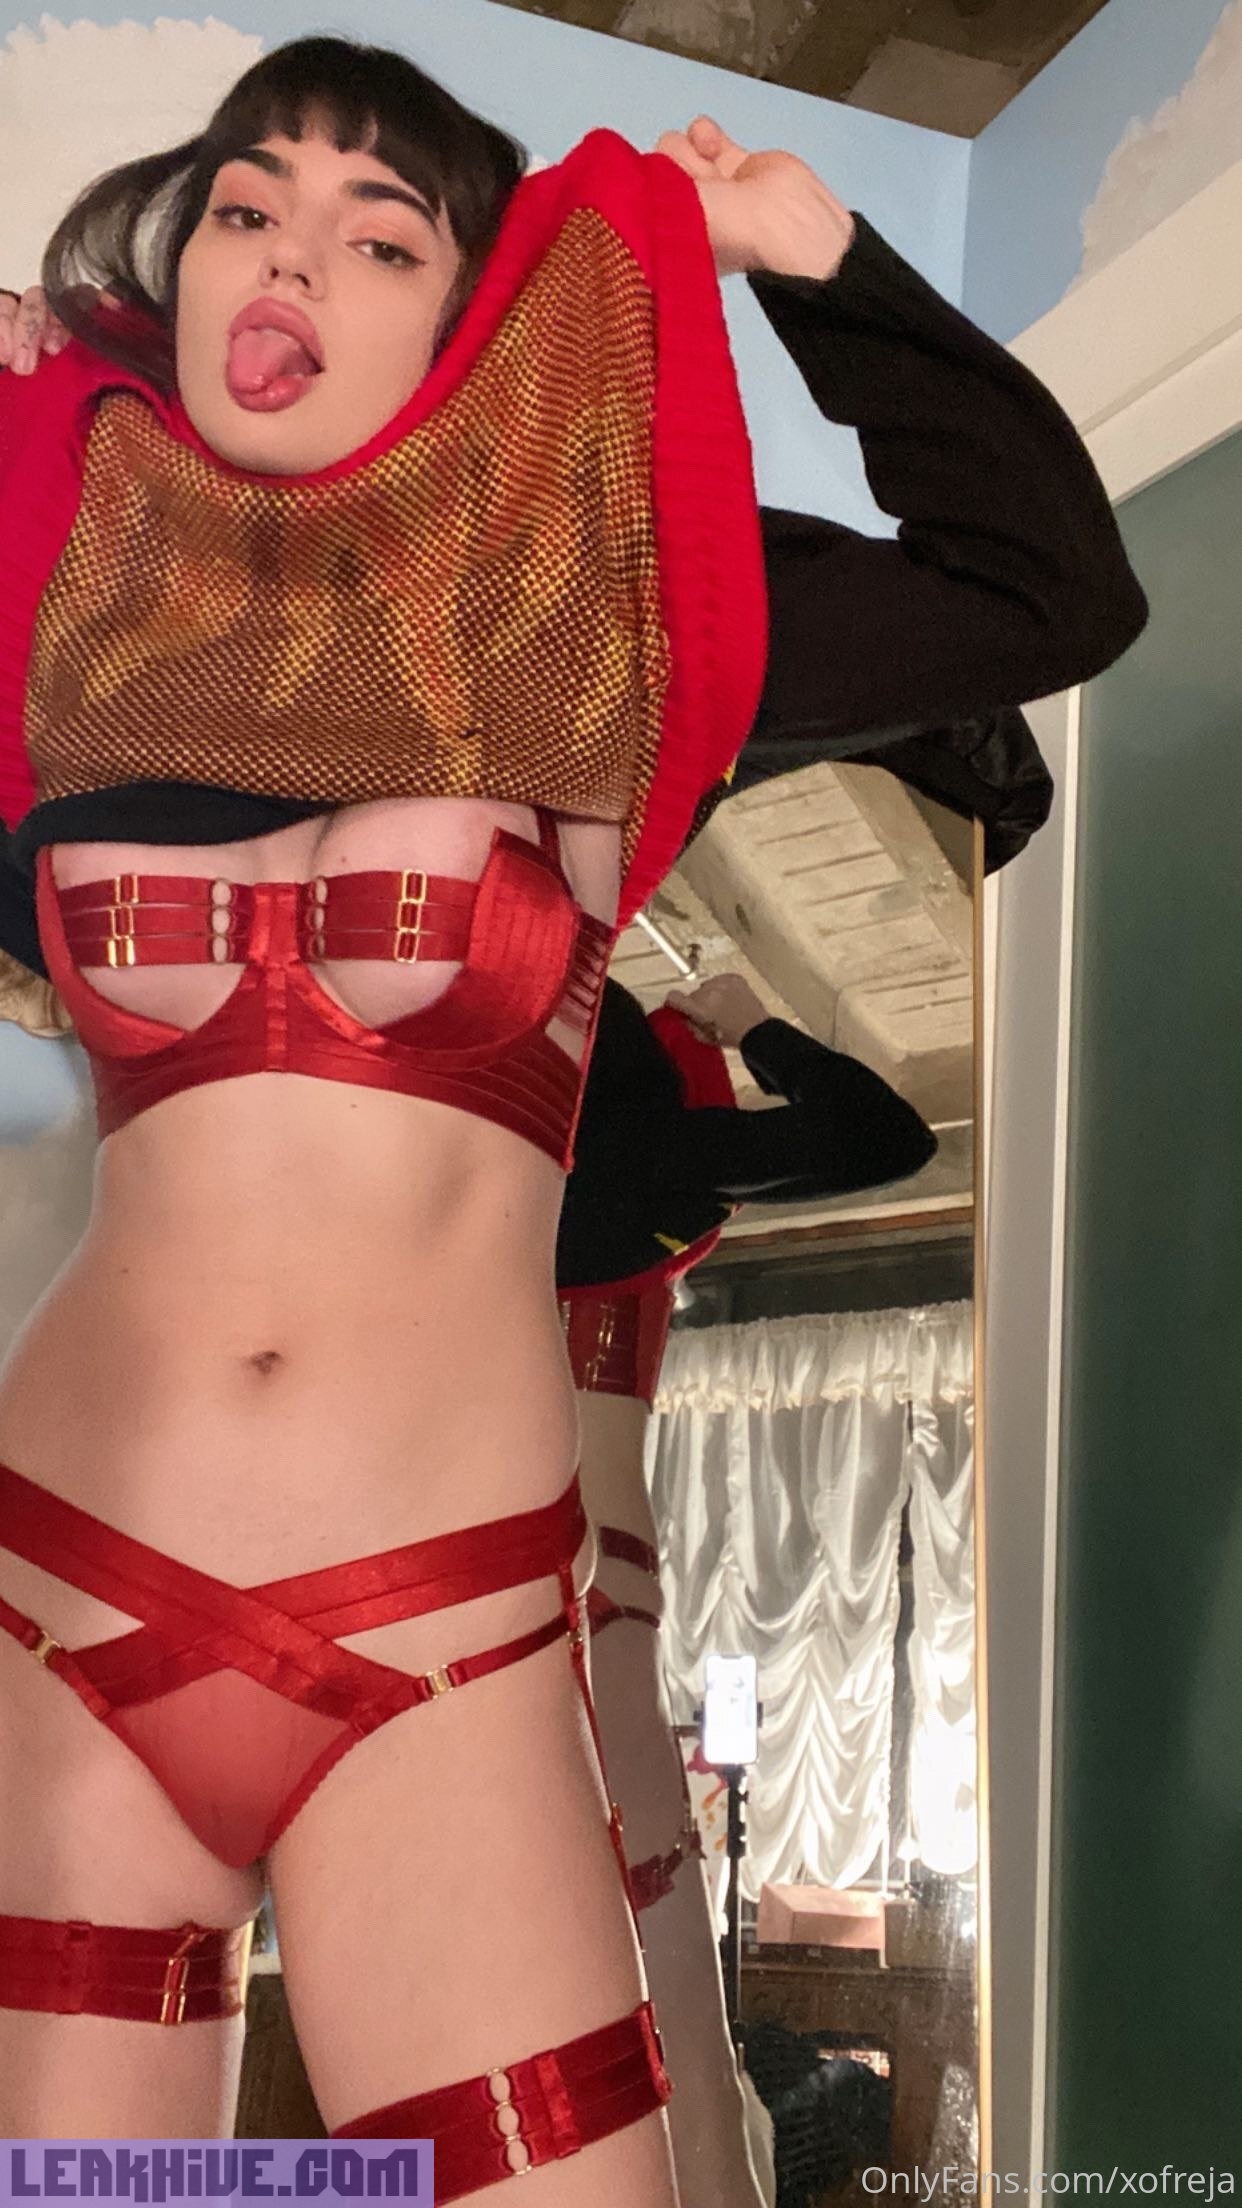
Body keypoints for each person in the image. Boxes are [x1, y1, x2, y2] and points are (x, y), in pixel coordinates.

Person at [0, 30, 1143, 2184]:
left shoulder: (598, 633)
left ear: (469, 320)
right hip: (57, 1584)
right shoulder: (84, 613)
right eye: (247, 205)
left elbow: (1046, 590)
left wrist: (815, 253)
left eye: (379, 233)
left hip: (436, 1629)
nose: (291, 253)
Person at [558, 969, 934, 2207]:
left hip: (450, 1571)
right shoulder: (645, 1161)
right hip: (596, 1578)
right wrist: (749, 1024)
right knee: (656, 1943)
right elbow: (888, 1138)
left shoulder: (462, 1157)